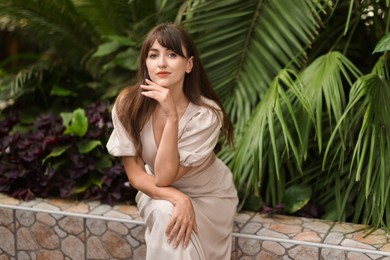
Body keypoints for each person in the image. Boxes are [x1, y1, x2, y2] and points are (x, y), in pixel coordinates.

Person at [106, 22, 238, 260]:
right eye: (153, 55)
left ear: (189, 64)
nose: (162, 63)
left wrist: (172, 116)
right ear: (145, 63)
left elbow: (166, 175)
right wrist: (178, 197)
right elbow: (137, 176)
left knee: (168, 214)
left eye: (172, 54)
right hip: (155, 190)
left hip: (209, 197)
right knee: (166, 209)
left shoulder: (205, 115)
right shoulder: (128, 105)